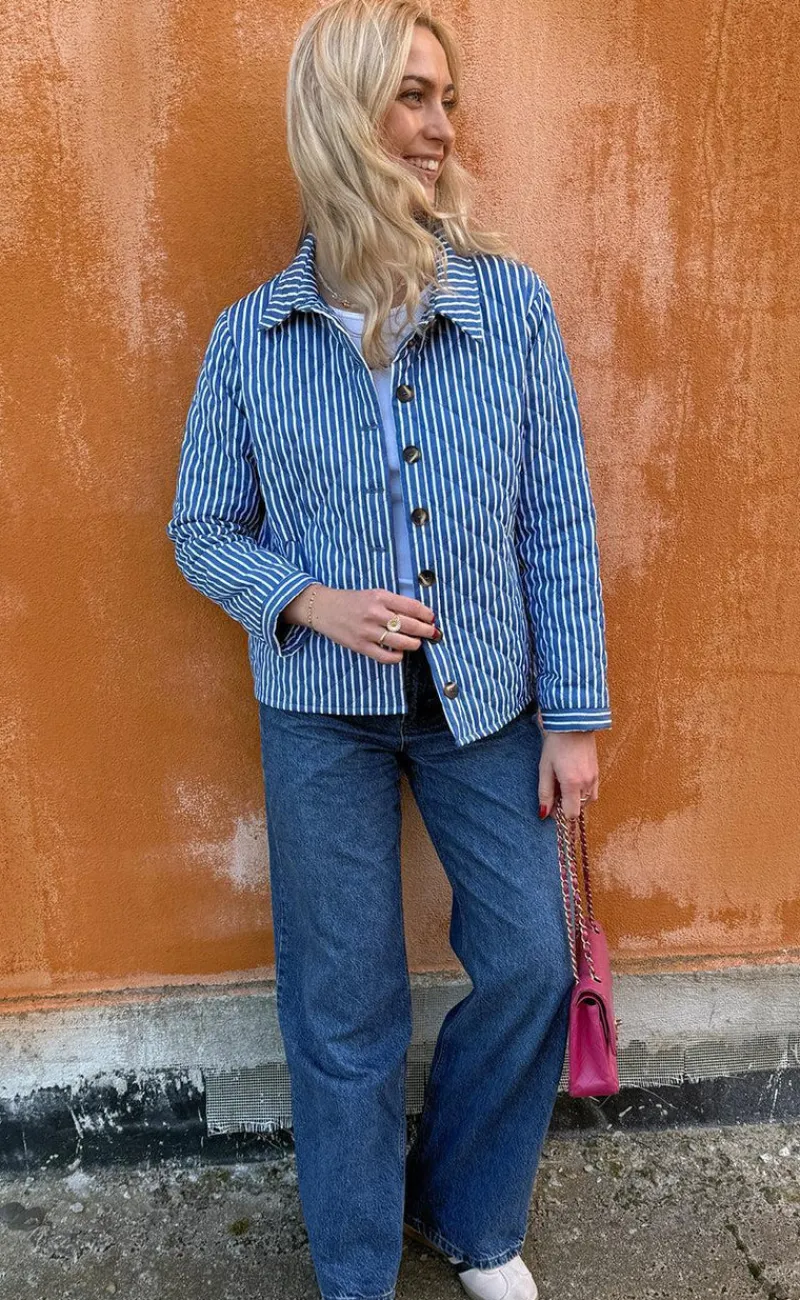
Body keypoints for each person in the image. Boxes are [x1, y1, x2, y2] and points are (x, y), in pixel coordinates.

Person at [166, 2, 612, 1297]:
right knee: (343, 1000)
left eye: (446, 98)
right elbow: (199, 528)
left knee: (530, 961)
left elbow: (557, 520)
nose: (439, 126)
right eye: (410, 95)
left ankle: (470, 1215)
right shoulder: (251, 340)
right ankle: (357, 1265)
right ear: (339, 114)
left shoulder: (510, 309)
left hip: (491, 703)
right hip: (320, 712)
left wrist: (574, 717)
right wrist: (310, 600)